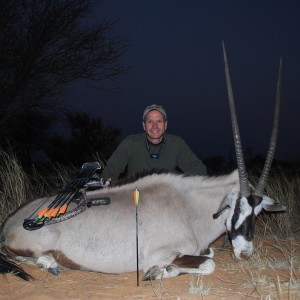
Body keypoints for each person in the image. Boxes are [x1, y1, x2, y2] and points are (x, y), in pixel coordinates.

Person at [101, 104, 207, 184]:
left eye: (159, 122)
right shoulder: (130, 143)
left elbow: (199, 169)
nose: (155, 126)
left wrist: (175, 181)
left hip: (167, 197)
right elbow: (110, 171)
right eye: (150, 122)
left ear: (165, 125)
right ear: (143, 125)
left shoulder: (176, 143)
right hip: (136, 198)